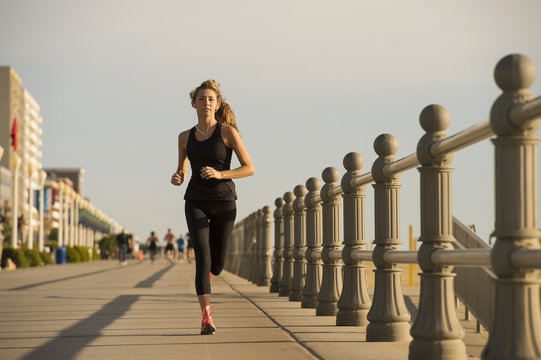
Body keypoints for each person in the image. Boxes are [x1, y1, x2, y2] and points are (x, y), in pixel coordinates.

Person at [171, 80, 254, 335]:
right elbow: (181, 168)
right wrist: (178, 176)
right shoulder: (185, 137)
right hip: (195, 200)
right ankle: (206, 317)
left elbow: (249, 168)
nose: (205, 103)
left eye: (210, 99)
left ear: (217, 104)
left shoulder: (227, 132)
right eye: (201, 99)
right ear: (193, 103)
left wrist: (220, 175)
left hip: (224, 202)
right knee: (202, 260)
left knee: (216, 266)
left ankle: (209, 275)